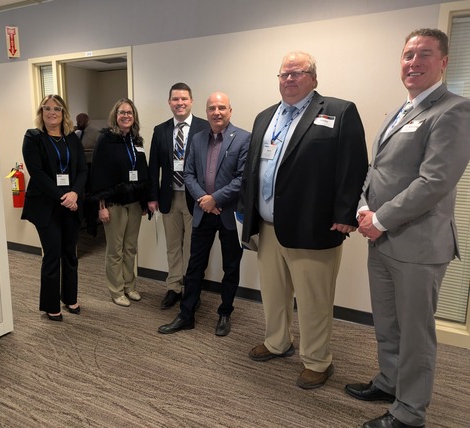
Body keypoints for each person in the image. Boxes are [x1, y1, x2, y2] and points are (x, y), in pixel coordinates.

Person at [345, 29, 470, 428]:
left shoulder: (453, 111)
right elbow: (377, 170)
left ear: (443, 62)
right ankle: (390, 381)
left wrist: (380, 219)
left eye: (424, 54)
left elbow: (434, 182)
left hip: (418, 246)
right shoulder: (399, 111)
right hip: (382, 240)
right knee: (387, 323)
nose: (413, 62)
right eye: (408, 55)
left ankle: (410, 412)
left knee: (416, 334)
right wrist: (364, 207)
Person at [237, 51, 368, 389]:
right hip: (268, 227)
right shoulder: (265, 117)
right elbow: (252, 169)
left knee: (313, 301)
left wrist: (346, 214)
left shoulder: (339, 111)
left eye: (297, 73)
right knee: (273, 293)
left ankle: (318, 361)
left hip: (313, 227)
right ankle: (277, 342)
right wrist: (247, 212)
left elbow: (354, 166)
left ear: (313, 78)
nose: (289, 79)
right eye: (284, 74)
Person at [158, 92, 250, 336]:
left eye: (221, 107)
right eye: (212, 108)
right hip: (202, 211)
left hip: (229, 214)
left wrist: (215, 199)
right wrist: (204, 199)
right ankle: (186, 314)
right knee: (195, 266)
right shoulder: (197, 138)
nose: (216, 112)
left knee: (231, 266)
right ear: (206, 111)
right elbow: (188, 174)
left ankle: (225, 312)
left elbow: (242, 178)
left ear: (230, 110)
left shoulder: (243, 138)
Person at [21, 94, 88, 321]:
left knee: (70, 254)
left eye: (57, 109)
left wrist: (74, 193)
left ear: (63, 113)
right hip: (46, 205)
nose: (52, 112)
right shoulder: (33, 137)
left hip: (71, 204)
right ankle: (50, 304)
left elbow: (82, 170)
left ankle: (70, 297)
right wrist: (63, 197)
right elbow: (37, 173)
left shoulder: (72, 138)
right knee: (52, 254)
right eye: (47, 108)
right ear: (41, 112)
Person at [148, 83, 210, 310]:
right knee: (173, 246)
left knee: (194, 248)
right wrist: (152, 197)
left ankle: (192, 289)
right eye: (175, 99)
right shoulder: (160, 130)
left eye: (184, 99)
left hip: (196, 198)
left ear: (191, 101)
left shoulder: (205, 127)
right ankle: (174, 287)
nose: (180, 103)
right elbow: (153, 167)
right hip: (169, 197)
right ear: (169, 102)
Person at [90, 98, 149, 307]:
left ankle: (130, 287)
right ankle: (116, 290)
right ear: (115, 116)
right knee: (115, 249)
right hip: (113, 202)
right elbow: (98, 173)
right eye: (122, 112)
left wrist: (144, 200)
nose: (126, 116)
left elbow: (143, 171)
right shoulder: (106, 140)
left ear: (134, 116)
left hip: (134, 202)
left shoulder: (136, 140)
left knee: (130, 247)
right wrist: (101, 206)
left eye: (129, 113)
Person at [75, 112, 101, 236]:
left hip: (92, 168)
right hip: (80, 169)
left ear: (87, 120)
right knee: (81, 195)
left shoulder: (96, 133)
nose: (78, 123)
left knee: (91, 195)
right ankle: (84, 219)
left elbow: (100, 150)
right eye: (77, 121)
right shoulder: (76, 134)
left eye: (80, 121)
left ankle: (92, 224)